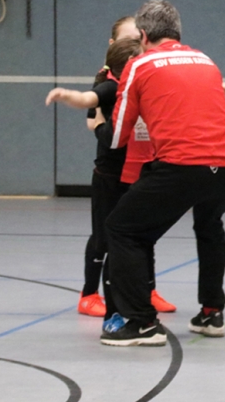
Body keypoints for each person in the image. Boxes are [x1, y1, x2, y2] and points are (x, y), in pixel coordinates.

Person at [100, 0, 225, 346]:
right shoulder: (205, 60)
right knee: (209, 226)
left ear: (143, 35)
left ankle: (141, 323)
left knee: (123, 229)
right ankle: (211, 312)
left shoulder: (139, 64)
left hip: (183, 166)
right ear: (177, 31)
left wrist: (98, 123)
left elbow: (118, 136)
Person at [45, 36, 177, 318]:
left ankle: (148, 291)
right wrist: (66, 96)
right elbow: (87, 99)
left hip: (141, 171)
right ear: (127, 64)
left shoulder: (145, 86)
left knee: (142, 237)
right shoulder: (111, 88)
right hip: (111, 175)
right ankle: (89, 295)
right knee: (103, 237)